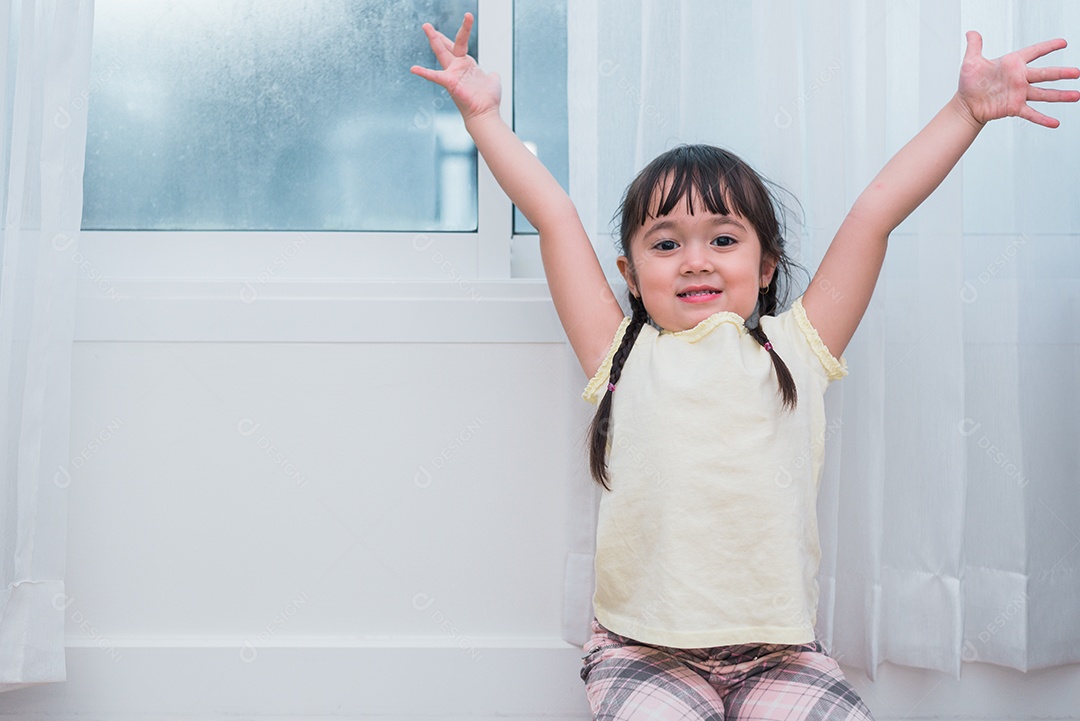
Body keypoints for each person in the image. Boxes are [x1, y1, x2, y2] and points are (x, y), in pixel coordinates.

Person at [411, 13, 1079, 721]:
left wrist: (965, 113)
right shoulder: (623, 351)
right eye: (665, 244)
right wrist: (484, 115)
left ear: (764, 267)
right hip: (642, 650)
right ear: (630, 276)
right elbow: (553, 215)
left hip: (780, 652)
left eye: (722, 239)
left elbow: (876, 212)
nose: (695, 258)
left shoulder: (798, 347)